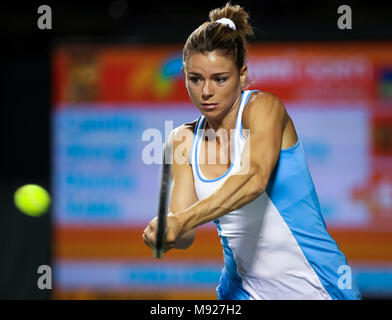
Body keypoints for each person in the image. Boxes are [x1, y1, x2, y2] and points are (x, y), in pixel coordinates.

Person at [143, 2, 362, 300]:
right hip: (242, 293)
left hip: (321, 287)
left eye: (220, 79)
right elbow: (184, 234)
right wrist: (165, 233)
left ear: (242, 75)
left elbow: (254, 179)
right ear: (184, 75)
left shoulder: (264, 108)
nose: (206, 92)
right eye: (195, 79)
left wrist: (181, 220)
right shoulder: (181, 139)